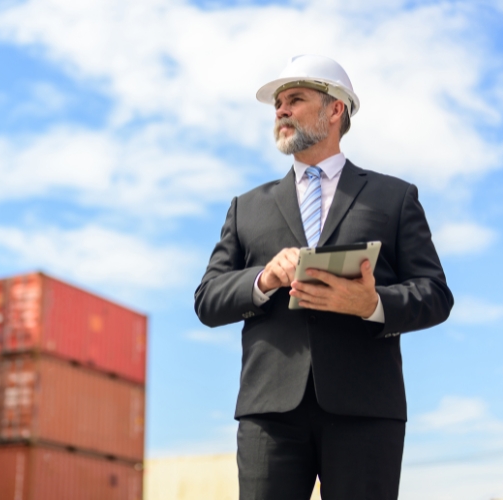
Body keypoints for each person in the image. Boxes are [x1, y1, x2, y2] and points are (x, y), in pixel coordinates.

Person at [194, 55, 453, 500]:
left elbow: (435, 294)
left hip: (366, 410)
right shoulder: (246, 207)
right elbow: (207, 299)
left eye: (295, 99)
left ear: (336, 110)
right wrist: (263, 279)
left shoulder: (395, 198)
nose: (280, 110)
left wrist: (371, 305)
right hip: (269, 413)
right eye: (277, 103)